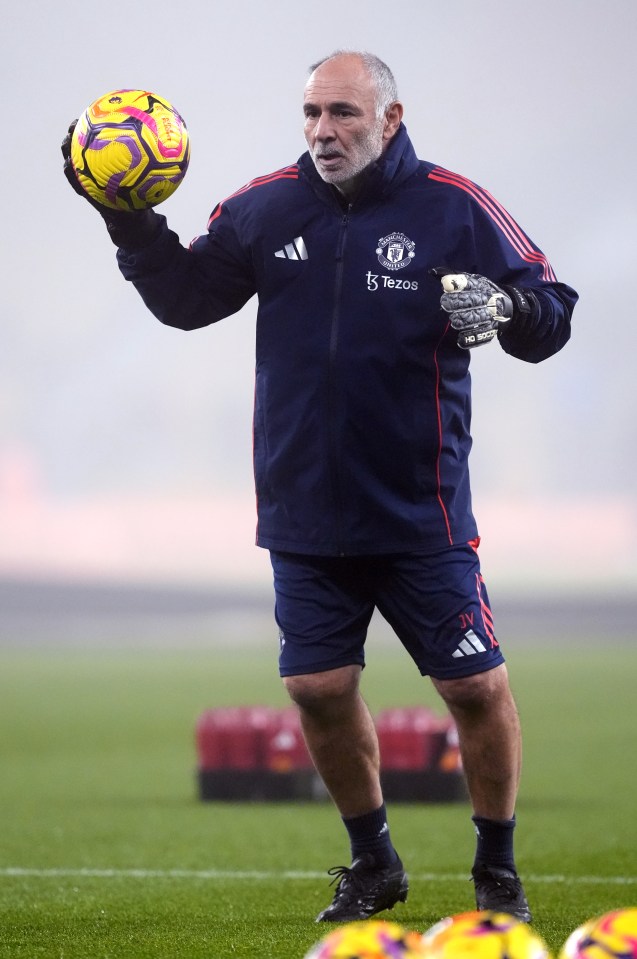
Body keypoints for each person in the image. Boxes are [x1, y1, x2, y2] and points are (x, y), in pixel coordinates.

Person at [61, 51, 578, 925]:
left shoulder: (454, 206)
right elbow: (187, 300)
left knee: (474, 689)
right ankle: (373, 862)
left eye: (341, 112)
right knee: (316, 689)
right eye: (311, 113)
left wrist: (510, 309)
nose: (323, 131)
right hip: (302, 511)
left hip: (423, 512)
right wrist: (129, 224)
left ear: (390, 117)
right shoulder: (265, 208)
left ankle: (495, 867)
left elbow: (550, 309)